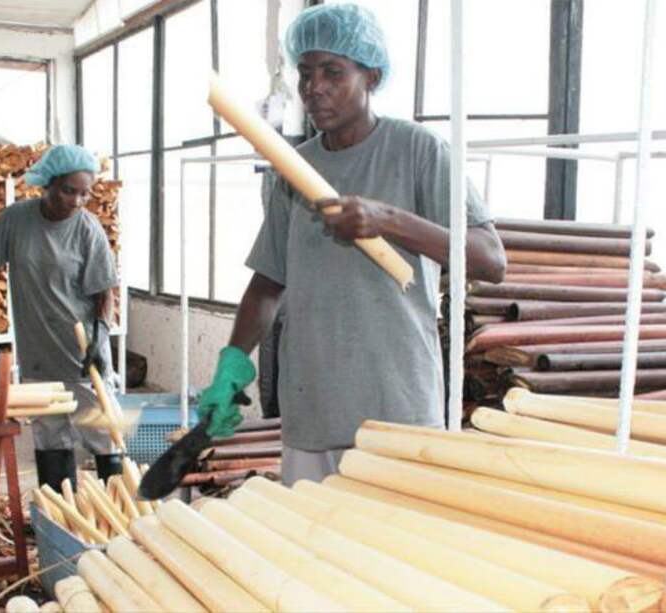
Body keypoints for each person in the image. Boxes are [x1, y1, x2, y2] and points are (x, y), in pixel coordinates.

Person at [197, 3, 507, 486]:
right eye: (305, 73)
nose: (313, 87)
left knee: (393, 548)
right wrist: (233, 363)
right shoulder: (290, 169)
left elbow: (491, 259)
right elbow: (268, 281)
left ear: (372, 77)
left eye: (333, 72)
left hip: (397, 404)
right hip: (311, 408)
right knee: (314, 546)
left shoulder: (418, 150)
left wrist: (388, 219)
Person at [0, 144, 120, 492]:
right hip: (38, 352)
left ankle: (119, 512)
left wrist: (99, 338)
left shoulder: (89, 230)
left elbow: (106, 295)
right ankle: (59, 513)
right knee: (49, 434)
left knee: (103, 432)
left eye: (84, 194)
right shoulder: (17, 219)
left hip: (81, 354)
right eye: (68, 191)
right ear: (47, 184)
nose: (75, 201)